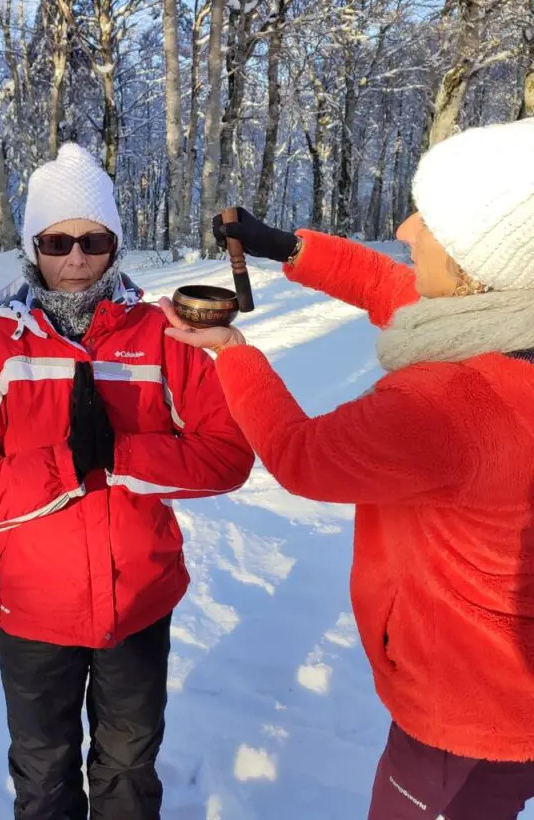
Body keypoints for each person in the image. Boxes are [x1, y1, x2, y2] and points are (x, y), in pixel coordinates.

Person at [161, 120, 534, 819]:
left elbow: (304, 457)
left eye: (431, 222)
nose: (403, 226)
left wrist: (232, 351)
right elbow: (394, 288)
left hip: (469, 704)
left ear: (476, 267)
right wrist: (287, 247)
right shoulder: (510, 321)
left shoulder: (453, 401)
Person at [0, 142, 254, 820]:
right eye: (56, 240)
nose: (75, 257)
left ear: (115, 244)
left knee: (129, 767)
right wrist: (63, 465)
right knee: (43, 773)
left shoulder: (165, 338)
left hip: (138, 600)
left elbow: (227, 456)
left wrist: (124, 454)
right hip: (33, 607)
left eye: (93, 240)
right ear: (31, 247)